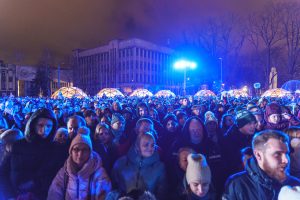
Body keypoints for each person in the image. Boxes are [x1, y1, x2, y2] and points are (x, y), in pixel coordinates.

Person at [223, 130, 300, 200]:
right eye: (277, 154)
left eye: (286, 154)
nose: (286, 160)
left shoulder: (295, 184)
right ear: (258, 155)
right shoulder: (237, 184)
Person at [0, 108, 58, 199]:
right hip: (16, 196)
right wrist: (10, 196)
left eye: (49, 126)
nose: (44, 130)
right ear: (33, 124)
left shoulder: (55, 149)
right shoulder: (17, 146)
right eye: (40, 125)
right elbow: (3, 173)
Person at [48, 133, 111, 199]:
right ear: (71, 152)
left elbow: (103, 196)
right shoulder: (64, 173)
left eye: (84, 150)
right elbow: (54, 194)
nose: (80, 154)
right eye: (76, 149)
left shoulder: (99, 174)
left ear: (90, 152)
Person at [112, 132, 167, 199]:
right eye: (146, 145)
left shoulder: (160, 167)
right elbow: (114, 185)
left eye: (152, 145)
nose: (150, 148)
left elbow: (162, 192)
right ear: (137, 146)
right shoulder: (121, 163)